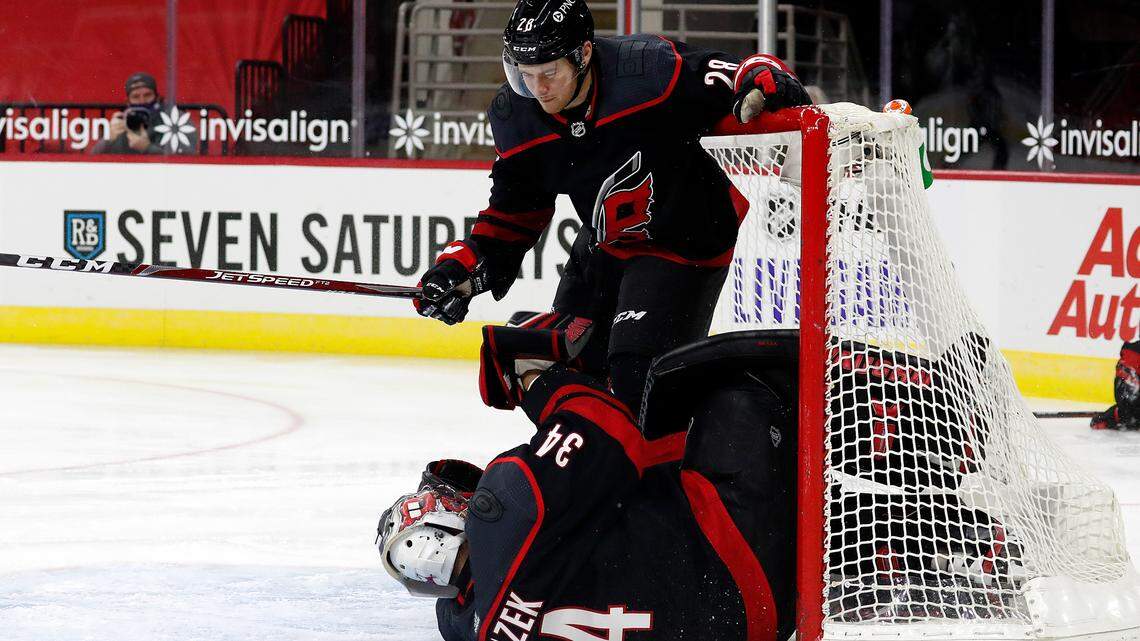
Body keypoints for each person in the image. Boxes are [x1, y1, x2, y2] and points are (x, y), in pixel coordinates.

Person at [413, 0, 811, 416]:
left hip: (684, 243)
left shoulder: (648, 73)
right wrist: (462, 271)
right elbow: (514, 214)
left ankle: (739, 430)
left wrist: (767, 77)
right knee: (554, 359)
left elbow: (735, 73)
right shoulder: (518, 116)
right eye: (524, 75)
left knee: (639, 382)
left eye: (549, 73)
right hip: (605, 242)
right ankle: (588, 471)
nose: (538, 89)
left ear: (584, 54)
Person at [377, 327, 800, 641]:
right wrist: (536, 380)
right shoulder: (503, 515)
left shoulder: (471, 628)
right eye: (447, 505)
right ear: (442, 536)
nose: (463, 502)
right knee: (731, 389)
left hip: (749, 626)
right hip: (739, 550)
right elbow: (610, 429)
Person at [90, 72, 191, 155]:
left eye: (147, 95)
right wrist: (108, 139)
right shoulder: (122, 124)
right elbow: (92, 160)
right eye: (136, 96)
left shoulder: (176, 120)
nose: (142, 101)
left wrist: (148, 148)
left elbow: (188, 160)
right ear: (128, 102)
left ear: (157, 97)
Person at [1091, 339, 1140, 431]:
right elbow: (1127, 402)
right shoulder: (1133, 354)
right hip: (1129, 407)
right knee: (1130, 415)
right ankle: (1111, 417)